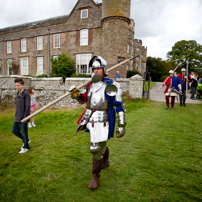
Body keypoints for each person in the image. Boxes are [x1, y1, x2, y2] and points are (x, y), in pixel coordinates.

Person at [69, 56, 126, 190]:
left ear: (104, 69)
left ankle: (95, 177)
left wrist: (122, 125)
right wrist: (76, 95)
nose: (95, 71)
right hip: (90, 117)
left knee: (94, 148)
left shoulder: (112, 85)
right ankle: (104, 159)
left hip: (104, 118)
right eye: (93, 69)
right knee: (100, 145)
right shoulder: (89, 84)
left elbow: (119, 106)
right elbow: (84, 100)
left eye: (98, 68)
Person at [12, 78, 31, 153]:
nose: (17, 87)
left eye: (18, 85)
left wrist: (25, 118)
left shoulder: (26, 94)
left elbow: (27, 107)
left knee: (24, 132)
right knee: (14, 130)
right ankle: (26, 140)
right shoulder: (18, 93)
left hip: (23, 117)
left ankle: (26, 147)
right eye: (16, 85)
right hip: (17, 117)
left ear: (23, 85)